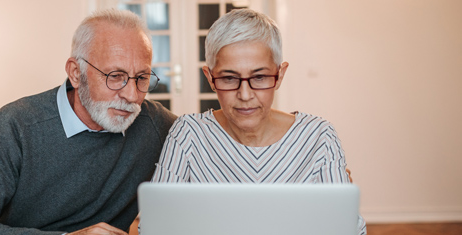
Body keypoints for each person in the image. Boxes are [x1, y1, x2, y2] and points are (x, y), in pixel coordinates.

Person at [0, 9, 177, 235]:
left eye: (142, 78)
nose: (132, 96)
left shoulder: (156, 124)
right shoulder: (16, 126)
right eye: (115, 77)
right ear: (75, 73)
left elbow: (208, 136)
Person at [148, 9, 367, 234]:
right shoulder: (188, 133)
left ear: (280, 75)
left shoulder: (319, 137)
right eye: (229, 78)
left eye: (259, 77)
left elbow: (350, 230)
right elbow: (154, 226)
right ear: (210, 78)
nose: (245, 95)